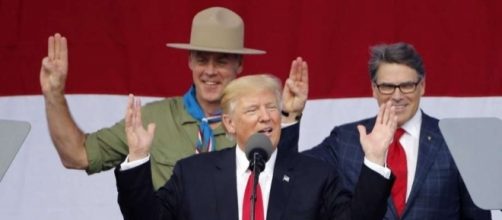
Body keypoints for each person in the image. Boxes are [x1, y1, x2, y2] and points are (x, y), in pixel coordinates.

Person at [39, 6, 307, 190]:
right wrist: (54, 95)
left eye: (222, 61)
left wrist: (288, 117)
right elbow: (77, 155)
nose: (210, 71)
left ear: (239, 65)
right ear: (190, 60)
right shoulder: (153, 118)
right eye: (201, 59)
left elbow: (287, 187)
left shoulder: (258, 122)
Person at [115, 74, 397, 220]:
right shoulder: (192, 175)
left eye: (271, 107)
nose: (266, 116)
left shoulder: (315, 177)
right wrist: (138, 157)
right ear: (229, 123)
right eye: (252, 110)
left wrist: (373, 160)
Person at [305, 42, 492, 219]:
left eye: (407, 86)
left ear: (422, 86)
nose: (397, 96)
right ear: (373, 89)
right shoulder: (344, 141)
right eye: (387, 86)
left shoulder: (456, 141)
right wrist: (291, 118)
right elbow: (293, 169)